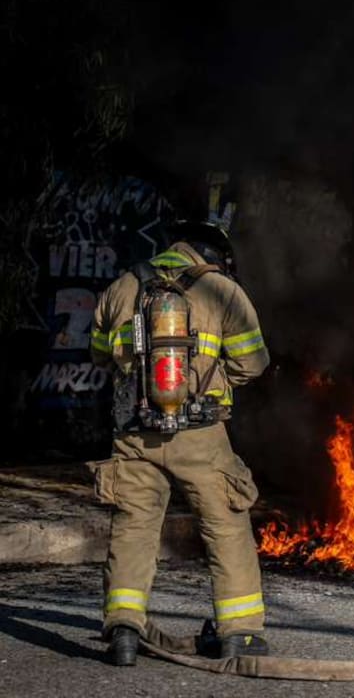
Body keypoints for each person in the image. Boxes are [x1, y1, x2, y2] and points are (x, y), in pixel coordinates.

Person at [89, 220, 271, 666]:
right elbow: (255, 363)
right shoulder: (223, 291)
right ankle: (239, 634)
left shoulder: (123, 285)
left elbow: (98, 353)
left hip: (134, 433)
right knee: (226, 526)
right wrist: (211, 383)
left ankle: (125, 629)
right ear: (214, 258)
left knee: (134, 528)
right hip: (200, 434)